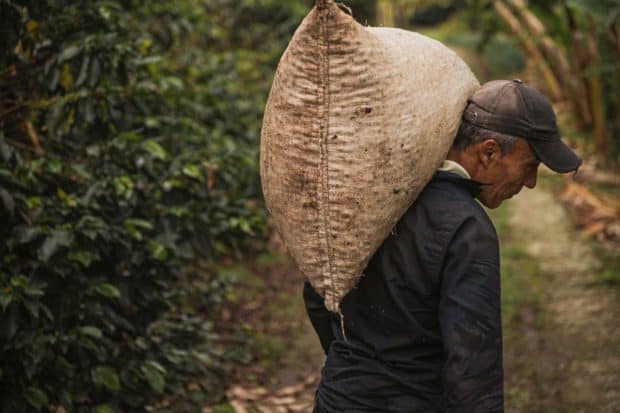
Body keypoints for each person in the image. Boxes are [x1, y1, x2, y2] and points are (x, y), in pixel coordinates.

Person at [304, 79, 582, 412]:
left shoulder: (366, 195)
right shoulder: (466, 228)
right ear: (489, 151)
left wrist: (357, 366)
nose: (531, 183)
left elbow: (316, 294)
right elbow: (473, 370)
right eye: (530, 165)